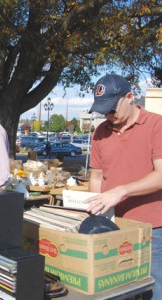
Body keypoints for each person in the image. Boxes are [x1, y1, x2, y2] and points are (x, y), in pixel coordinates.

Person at [84, 74, 162, 300]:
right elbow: (97, 176)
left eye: (111, 109)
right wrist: (94, 209)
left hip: (154, 229)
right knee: (113, 292)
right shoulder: (100, 131)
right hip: (114, 226)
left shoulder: (156, 125)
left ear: (129, 97)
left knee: (155, 290)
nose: (107, 115)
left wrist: (121, 190)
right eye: (102, 110)